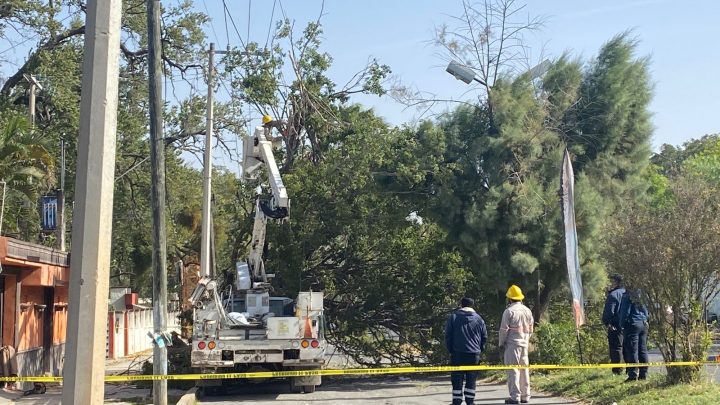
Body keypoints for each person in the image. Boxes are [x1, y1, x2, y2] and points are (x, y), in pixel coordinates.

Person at [445, 297, 488, 405]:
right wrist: (480, 350)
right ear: (472, 306)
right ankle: (470, 401)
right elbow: (484, 337)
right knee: (471, 377)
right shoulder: (479, 319)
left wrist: (451, 350)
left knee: (457, 377)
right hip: (474, 353)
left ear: (461, 305)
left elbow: (448, 336)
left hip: (457, 353)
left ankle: (457, 400)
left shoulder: (454, 317)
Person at [499, 285, 534, 404]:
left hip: (512, 344)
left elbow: (504, 329)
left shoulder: (508, 311)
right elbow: (531, 328)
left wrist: (501, 343)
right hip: (524, 343)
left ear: (509, 298)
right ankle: (526, 396)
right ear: (520, 298)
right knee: (524, 370)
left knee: (513, 370)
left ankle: (515, 397)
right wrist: (526, 339)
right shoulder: (527, 310)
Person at [618, 287, 649, 382]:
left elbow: (625, 312)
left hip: (632, 324)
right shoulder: (642, 293)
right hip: (643, 323)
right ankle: (643, 374)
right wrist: (646, 319)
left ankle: (633, 375)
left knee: (632, 350)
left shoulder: (627, 296)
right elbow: (646, 310)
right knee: (643, 349)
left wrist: (621, 324)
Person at [602, 274, 625, 375]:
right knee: (628, 347)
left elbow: (609, 312)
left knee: (616, 348)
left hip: (615, 324)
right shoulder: (628, 293)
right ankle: (631, 370)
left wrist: (607, 322)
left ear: (616, 282)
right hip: (628, 324)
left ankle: (617, 371)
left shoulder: (613, 295)